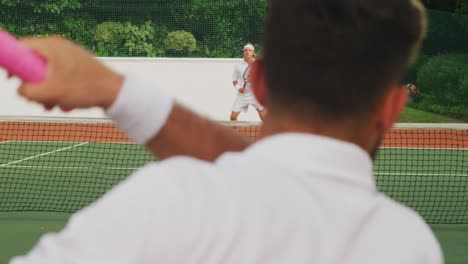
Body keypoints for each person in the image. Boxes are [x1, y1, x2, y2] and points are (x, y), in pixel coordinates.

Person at [10, 0, 443, 263]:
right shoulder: (411, 244)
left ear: (258, 82)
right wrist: (116, 90)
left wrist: (117, 89)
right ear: (394, 106)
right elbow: (288, 191)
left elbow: (269, 188)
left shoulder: (170, 201)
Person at [230, 43, 267, 121]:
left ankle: (270, 131)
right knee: (233, 117)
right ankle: (237, 131)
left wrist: (252, 79)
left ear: (253, 53)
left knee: (263, 116)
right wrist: (239, 88)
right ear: (243, 52)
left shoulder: (258, 64)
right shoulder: (238, 65)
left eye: (250, 50)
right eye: (246, 50)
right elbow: (234, 80)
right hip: (242, 96)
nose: (247, 52)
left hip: (255, 94)